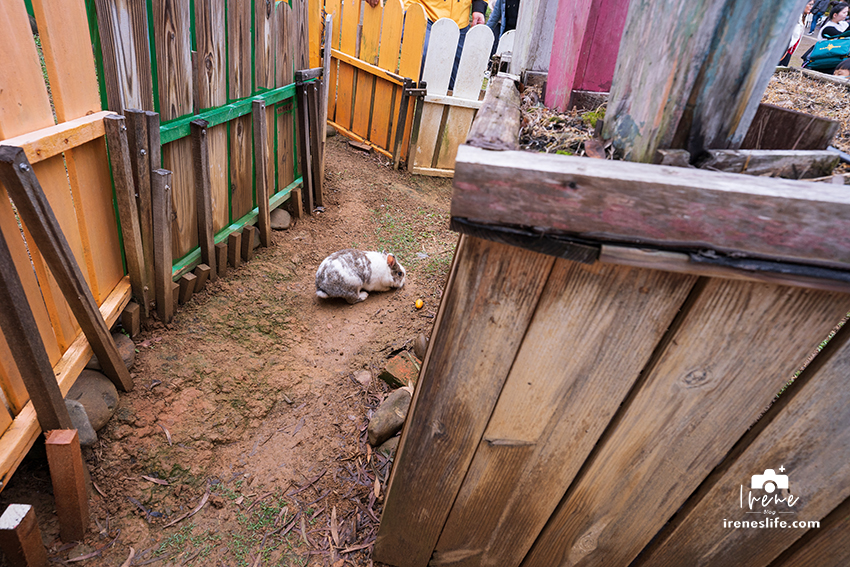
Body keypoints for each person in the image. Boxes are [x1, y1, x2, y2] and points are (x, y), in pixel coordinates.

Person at [398, 0, 488, 90]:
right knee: (426, 56)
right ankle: (414, 96)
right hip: (425, 11)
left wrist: (479, 8)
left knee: (459, 76)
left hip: (460, 22)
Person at [780, 0, 814, 65]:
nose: (811, 7)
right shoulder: (793, 16)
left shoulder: (804, 17)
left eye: (812, 5)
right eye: (810, 4)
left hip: (790, 51)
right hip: (784, 50)